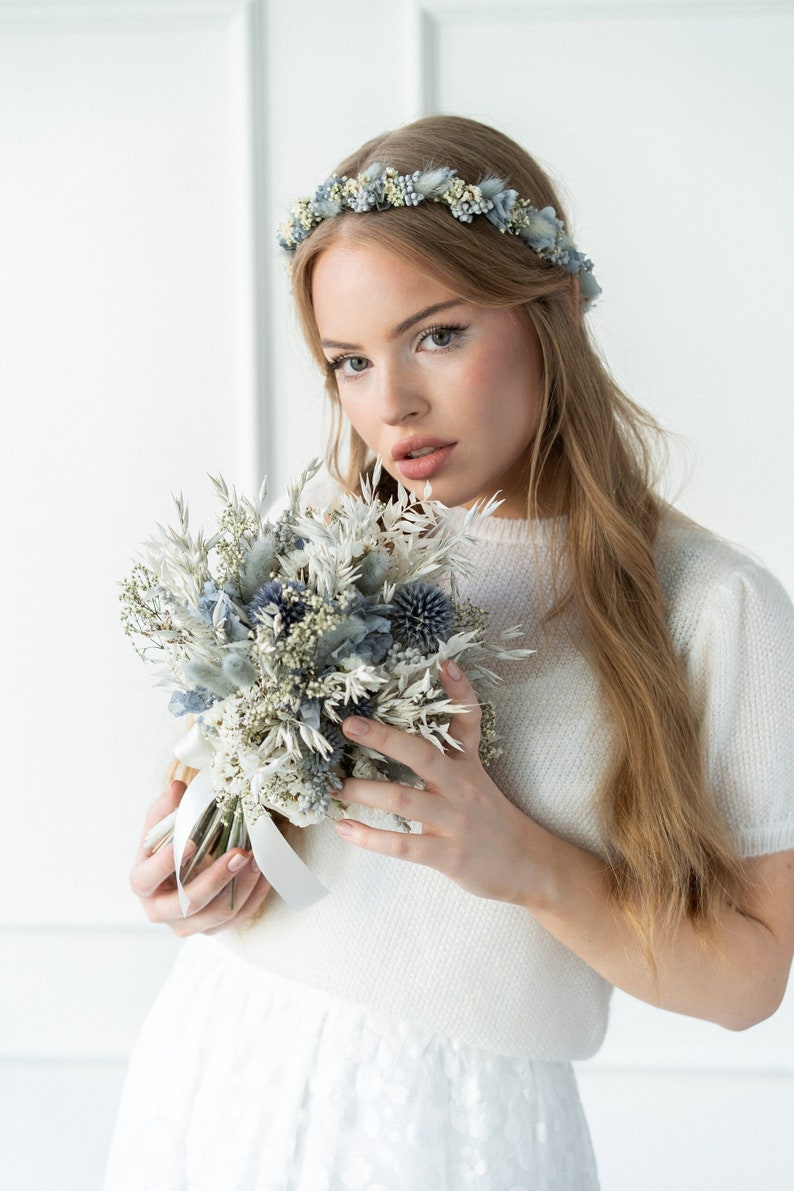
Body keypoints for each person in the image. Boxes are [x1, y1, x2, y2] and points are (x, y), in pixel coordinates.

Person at [105, 116, 794, 1190]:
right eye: (348, 361)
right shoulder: (329, 533)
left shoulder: (713, 606)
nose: (391, 407)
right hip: (218, 1074)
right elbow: (215, 799)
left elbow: (746, 980)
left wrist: (517, 860)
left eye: (436, 335)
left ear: (553, 308)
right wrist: (186, 870)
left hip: (460, 1133)